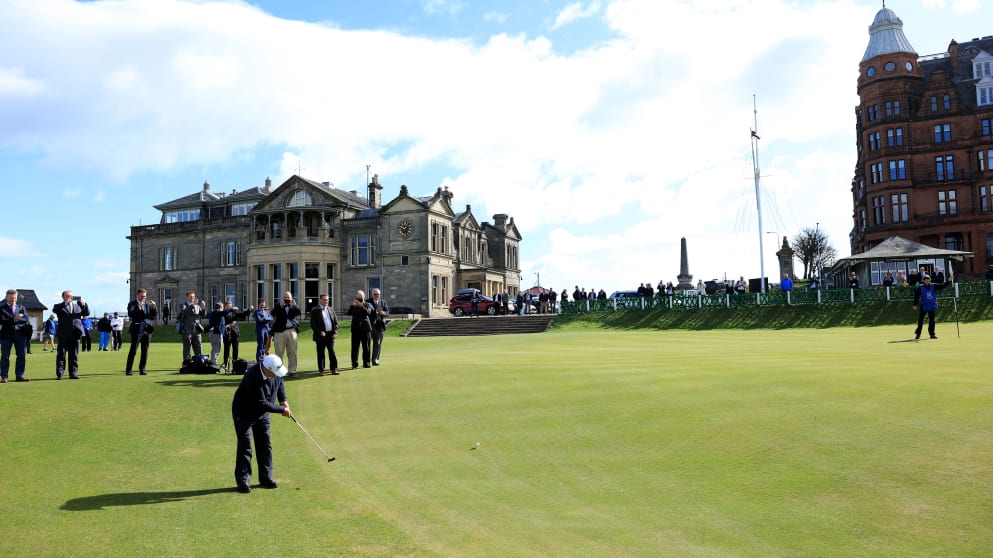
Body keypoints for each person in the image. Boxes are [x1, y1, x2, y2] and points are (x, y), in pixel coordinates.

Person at [231, 354, 291, 493]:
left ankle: (265, 478)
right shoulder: (253, 376)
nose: (276, 375)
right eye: (274, 373)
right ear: (266, 369)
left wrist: (284, 402)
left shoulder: (275, 372)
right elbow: (261, 403)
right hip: (244, 412)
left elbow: (280, 383)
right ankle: (243, 481)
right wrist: (282, 410)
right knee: (245, 446)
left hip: (262, 413)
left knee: (265, 444)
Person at [53, 290, 88, 380]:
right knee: (61, 354)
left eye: (71, 296)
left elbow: (86, 313)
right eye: (68, 296)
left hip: (75, 333)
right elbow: (55, 310)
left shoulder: (78, 306)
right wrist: (65, 303)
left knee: (74, 355)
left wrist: (84, 305)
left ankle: (73, 373)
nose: (70, 298)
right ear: (63, 297)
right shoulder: (59, 306)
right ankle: (60, 373)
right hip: (63, 333)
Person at [1, 289, 31, 383]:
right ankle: (4, 376)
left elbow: (25, 319)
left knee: (21, 355)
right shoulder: (1, 308)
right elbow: (2, 321)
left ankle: (19, 375)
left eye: (14, 298)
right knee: (5, 356)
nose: (13, 300)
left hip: (21, 335)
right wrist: (14, 319)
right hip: (6, 335)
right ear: (7, 297)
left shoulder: (21, 307)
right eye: (11, 298)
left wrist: (13, 320)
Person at [126, 288, 157, 376]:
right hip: (137, 329)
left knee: (145, 350)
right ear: (138, 295)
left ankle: (142, 369)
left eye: (145, 296)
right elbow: (130, 314)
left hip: (147, 330)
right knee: (133, 350)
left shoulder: (148, 304)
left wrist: (154, 308)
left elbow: (153, 316)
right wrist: (138, 307)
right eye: (142, 296)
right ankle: (129, 369)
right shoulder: (132, 304)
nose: (144, 298)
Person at [913, 272, 953, 340]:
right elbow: (916, 296)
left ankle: (932, 334)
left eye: (928, 279)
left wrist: (949, 281)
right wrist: (915, 304)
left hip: (932, 305)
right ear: (923, 281)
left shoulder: (934, 285)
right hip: (924, 306)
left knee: (932, 321)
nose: (927, 281)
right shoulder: (920, 287)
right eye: (926, 280)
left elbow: (942, 286)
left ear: (930, 280)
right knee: (920, 321)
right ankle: (918, 334)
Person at [271, 291, 301, 377]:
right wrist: (280, 307)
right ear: (282, 298)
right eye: (285, 297)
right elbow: (272, 313)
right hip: (279, 332)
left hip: (291, 331)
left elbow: (299, 312)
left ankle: (292, 371)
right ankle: (279, 371)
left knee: (292, 352)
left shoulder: (293, 305)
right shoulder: (278, 305)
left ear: (291, 298)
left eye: (289, 298)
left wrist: (294, 306)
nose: (287, 299)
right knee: (279, 352)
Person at [310, 293, 339, 376]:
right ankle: (321, 370)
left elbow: (336, 323)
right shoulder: (315, 310)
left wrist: (335, 332)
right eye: (324, 299)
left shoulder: (331, 309)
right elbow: (313, 324)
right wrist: (320, 332)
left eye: (327, 299)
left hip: (330, 335)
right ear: (320, 300)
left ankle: (334, 369)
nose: (326, 301)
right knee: (320, 353)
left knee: (332, 352)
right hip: (320, 335)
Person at [346, 290, 374, 369]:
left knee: (366, 347)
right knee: (355, 347)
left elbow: (368, 313)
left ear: (364, 297)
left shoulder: (368, 304)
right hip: (355, 329)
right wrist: (353, 305)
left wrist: (361, 305)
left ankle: (366, 363)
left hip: (366, 328)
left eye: (360, 298)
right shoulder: (354, 305)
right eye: (358, 298)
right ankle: (354, 364)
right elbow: (348, 313)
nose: (359, 300)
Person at [177, 291, 204, 362]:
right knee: (187, 349)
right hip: (187, 330)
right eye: (191, 296)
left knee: (198, 347)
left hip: (197, 330)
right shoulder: (183, 305)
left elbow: (203, 315)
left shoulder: (197, 306)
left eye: (193, 297)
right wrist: (192, 305)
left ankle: (199, 363)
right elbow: (183, 312)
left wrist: (203, 307)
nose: (192, 298)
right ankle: (187, 364)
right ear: (187, 297)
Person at [221, 302, 246, 369]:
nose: (230, 308)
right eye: (228, 306)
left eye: (230, 306)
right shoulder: (223, 313)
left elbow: (242, 315)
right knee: (226, 350)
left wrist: (249, 310)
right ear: (225, 307)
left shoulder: (234, 313)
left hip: (235, 333)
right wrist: (229, 325)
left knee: (235, 349)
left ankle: (235, 364)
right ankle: (225, 364)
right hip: (227, 333)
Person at [369, 288, 389, 366]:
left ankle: (375, 360)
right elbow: (367, 312)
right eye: (375, 294)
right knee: (367, 344)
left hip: (379, 326)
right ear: (372, 295)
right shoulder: (368, 302)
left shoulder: (383, 302)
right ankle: (367, 360)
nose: (377, 296)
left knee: (377, 344)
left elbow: (387, 313)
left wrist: (382, 312)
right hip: (370, 326)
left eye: (378, 294)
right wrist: (375, 312)